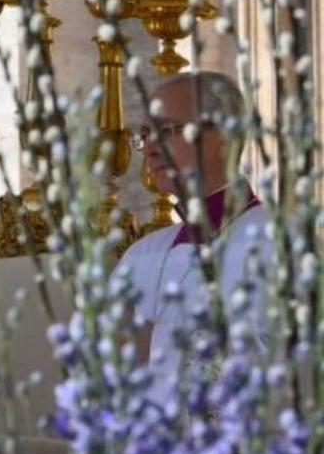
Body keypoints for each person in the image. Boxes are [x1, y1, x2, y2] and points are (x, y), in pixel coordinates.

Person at [115, 71, 271, 401]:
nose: (150, 148)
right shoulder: (139, 255)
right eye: (145, 135)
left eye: (167, 131)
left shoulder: (277, 246)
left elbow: (291, 371)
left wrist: (153, 344)